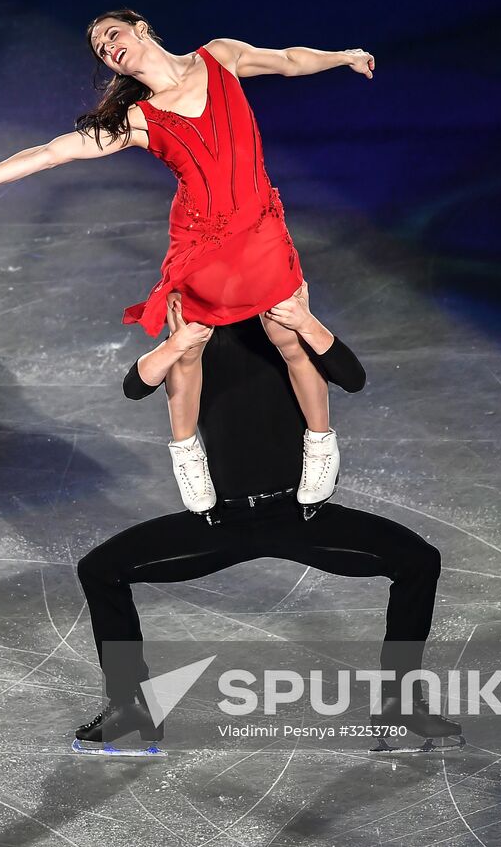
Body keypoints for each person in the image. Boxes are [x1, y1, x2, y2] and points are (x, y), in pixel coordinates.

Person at [0, 9, 376, 515]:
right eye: (100, 49)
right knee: (187, 344)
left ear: (141, 30)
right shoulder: (136, 119)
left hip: (260, 226)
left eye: (112, 34)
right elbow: (53, 152)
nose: (108, 46)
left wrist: (344, 56)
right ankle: (186, 453)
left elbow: (288, 61)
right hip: (200, 239)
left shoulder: (219, 57)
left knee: (288, 333)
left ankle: (319, 443)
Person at [71, 285, 463, 755]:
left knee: (418, 561)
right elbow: (135, 386)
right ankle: (129, 709)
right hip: (221, 521)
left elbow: (352, 378)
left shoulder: (283, 315)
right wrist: (176, 343)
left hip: (300, 513)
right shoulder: (199, 325)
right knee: (100, 569)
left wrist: (304, 320)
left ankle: (400, 709)